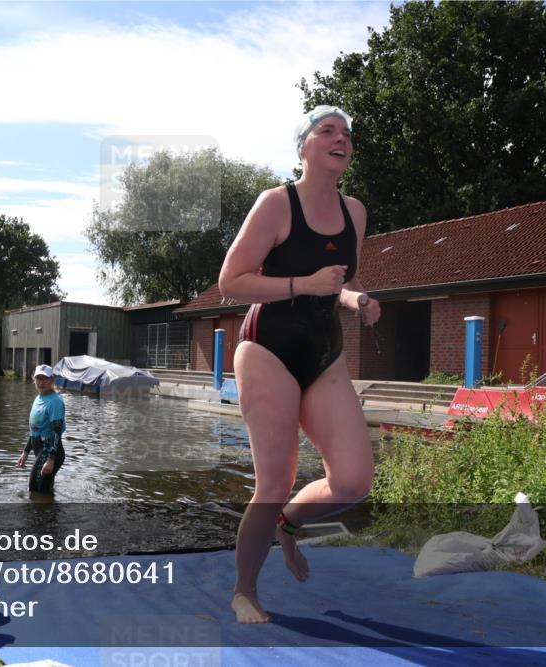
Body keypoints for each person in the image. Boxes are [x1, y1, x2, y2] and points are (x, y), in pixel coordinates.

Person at [218, 105, 382, 624]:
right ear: (304, 147)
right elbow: (232, 282)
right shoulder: (276, 204)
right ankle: (245, 589)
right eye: (327, 130)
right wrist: (303, 285)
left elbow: (340, 283)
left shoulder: (355, 212)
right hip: (268, 346)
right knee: (274, 479)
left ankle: (286, 526)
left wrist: (357, 300)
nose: (341, 138)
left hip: (323, 349)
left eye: (347, 132)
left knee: (354, 480)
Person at [16, 364, 66, 495]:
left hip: (50, 451)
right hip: (40, 450)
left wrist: (50, 459)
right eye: (38, 378)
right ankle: (50, 513)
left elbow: (57, 433)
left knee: (34, 488)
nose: (41, 382)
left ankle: (44, 514)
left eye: (45, 379)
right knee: (43, 489)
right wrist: (26, 452)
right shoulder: (38, 398)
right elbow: (35, 430)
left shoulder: (55, 402)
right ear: (34, 380)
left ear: (52, 380)